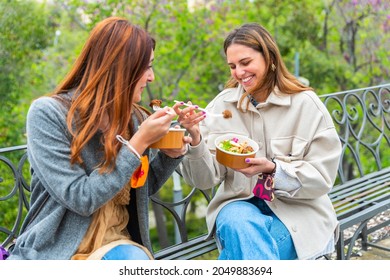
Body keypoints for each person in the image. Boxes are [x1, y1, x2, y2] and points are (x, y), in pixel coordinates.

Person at [7, 17, 190, 260]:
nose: (151, 77)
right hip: (62, 250)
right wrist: (138, 144)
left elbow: (141, 187)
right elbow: (81, 198)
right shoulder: (48, 114)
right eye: (145, 67)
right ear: (119, 69)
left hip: (118, 241)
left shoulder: (133, 118)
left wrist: (170, 155)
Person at [173, 23, 342, 260]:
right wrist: (196, 138)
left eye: (245, 63)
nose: (239, 73)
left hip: (297, 214)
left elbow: (322, 179)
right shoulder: (222, 107)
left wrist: (275, 170)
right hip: (238, 208)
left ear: (270, 58)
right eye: (232, 66)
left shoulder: (306, 105)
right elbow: (203, 180)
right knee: (239, 224)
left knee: (243, 254)